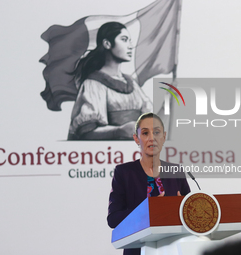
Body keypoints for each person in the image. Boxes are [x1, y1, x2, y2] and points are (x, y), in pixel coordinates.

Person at [107, 113, 191, 255]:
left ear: (163, 137)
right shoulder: (124, 172)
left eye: (157, 132)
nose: (152, 138)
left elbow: (191, 214)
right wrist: (147, 210)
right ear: (136, 138)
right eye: (145, 133)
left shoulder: (176, 171)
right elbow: (113, 219)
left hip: (172, 249)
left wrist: (182, 207)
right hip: (137, 250)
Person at [67, 22, 152, 140]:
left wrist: (167, 105)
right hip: (108, 153)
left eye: (129, 40)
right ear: (107, 44)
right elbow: (86, 133)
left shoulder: (131, 83)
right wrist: (119, 131)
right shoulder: (93, 84)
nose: (130, 46)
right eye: (124, 39)